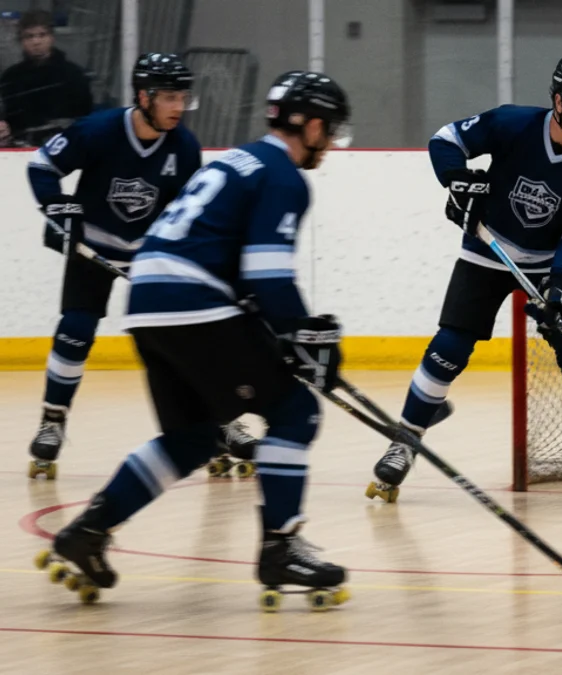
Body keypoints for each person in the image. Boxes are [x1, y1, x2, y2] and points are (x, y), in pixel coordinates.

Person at [35, 70, 354, 609]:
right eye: (331, 131)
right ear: (314, 125)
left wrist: (282, 333)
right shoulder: (284, 177)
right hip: (195, 303)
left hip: (148, 304)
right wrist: (300, 334)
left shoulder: (238, 158)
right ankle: (280, 547)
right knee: (297, 413)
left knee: (192, 439)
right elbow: (267, 273)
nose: (331, 144)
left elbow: (230, 264)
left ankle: (88, 531)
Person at [366, 54, 562, 503]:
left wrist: (560, 282)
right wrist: (459, 181)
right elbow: (445, 140)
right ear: (559, 101)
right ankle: (404, 441)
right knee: (449, 348)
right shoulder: (511, 124)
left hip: (547, 265)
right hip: (487, 249)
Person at [24, 53, 232, 481]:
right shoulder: (98, 130)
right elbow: (42, 165)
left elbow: (186, 211)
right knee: (76, 331)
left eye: (183, 97)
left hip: (150, 258)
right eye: (170, 96)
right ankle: (53, 420)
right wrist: (58, 208)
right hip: (93, 249)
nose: (179, 106)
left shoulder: (185, 147)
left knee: (185, 342)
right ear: (144, 96)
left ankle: (216, 426)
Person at [0, 10, 92, 147]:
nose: (36, 42)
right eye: (29, 36)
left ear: (52, 37)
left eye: (42, 35)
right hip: (19, 147)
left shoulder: (73, 74)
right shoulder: (11, 77)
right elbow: (7, 116)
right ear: (21, 41)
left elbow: (85, 117)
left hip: (64, 146)